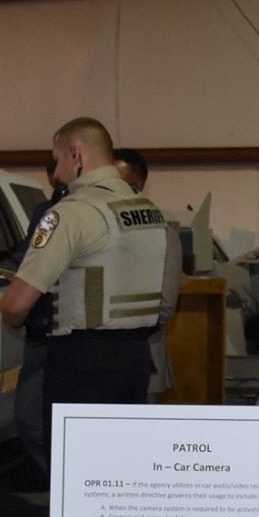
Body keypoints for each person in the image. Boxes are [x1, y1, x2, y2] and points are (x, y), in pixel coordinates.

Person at [0, 118, 171, 517]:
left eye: (55, 160)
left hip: (81, 364)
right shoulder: (147, 211)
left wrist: (11, 315)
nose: (54, 172)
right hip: (134, 361)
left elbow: (18, 302)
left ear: (76, 155)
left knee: (77, 498)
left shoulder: (73, 213)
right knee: (117, 496)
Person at [9, 156, 63, 493]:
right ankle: (58, 482)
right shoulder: (46, 213)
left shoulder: (83, 214)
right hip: (41, 331)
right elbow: (26, 256)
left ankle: (67, 488)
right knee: (29, 417)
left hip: (73, 335)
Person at [111, 148, 181, 403]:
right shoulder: (97, 229)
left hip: (144, 357)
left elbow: (165, 305)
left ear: (138, 186)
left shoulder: (161, 233)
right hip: (99, 365)